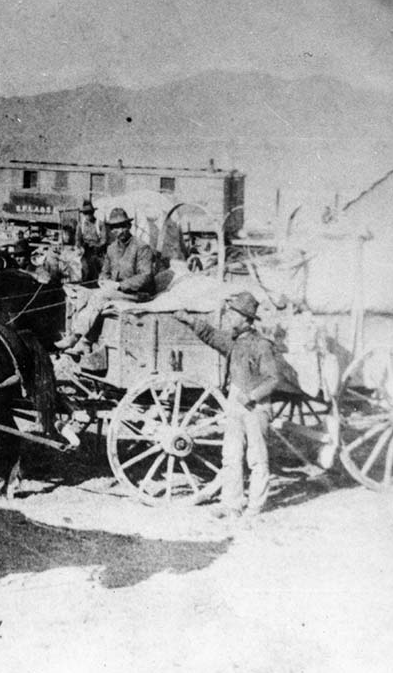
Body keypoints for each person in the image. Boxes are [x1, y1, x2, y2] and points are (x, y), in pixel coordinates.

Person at [174, 292, 290, 519]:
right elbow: (210, 335)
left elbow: (273, 379)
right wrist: (189, 320)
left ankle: (255, 507)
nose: (229, 317)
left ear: (245, 319)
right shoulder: (235, 342)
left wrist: (253, 396)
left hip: (255, 408)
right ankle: (231, 505)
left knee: (257, 458)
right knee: (231, 456)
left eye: (233, 314)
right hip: (236, 404)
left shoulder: (261, 346)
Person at [55, 207, 155, 354]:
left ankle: (77, 337)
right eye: (114, 228)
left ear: (129, 226)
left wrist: (119, 285)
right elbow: (104, 272)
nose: (118, 231)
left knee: (100, 296)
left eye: (121, 226)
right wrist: (104, 280)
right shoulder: (111, 249)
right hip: (114, 291)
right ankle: (86, 342)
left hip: (137, 295)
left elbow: (145, 276)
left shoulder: (141, 247)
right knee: (83, 293)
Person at [75, 199, 105, 283]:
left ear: (93, 212)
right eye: (85, 213)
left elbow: (104, 240)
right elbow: (77, 239)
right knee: (85, 269)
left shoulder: (99, 224)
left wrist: (98, 246)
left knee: (100, 271)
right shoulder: (81, 224)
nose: (88, 215)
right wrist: (79, 247)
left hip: (97, 252)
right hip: (85, 252)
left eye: (90, 212)